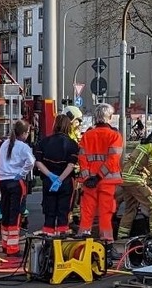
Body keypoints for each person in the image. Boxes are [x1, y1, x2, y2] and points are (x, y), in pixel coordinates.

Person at [77, 103, 124, 245]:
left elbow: (82, 158)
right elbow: (112, 160)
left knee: (87, 211)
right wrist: (99, 177)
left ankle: (83, 240)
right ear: (109, 117)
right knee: (106, 212)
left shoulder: (87, 136)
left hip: (89, 182)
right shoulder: (115, 136)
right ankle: (107, 243)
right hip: (106, 182)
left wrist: (87, 177)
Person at [118, 123, 152, 239]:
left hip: (125, 179)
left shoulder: (144, 144)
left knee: (130, 209)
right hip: (135, 180)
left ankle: (122, 237)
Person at [34, 115, 80, 236]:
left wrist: (50, 175)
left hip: (49, 181)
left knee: (49, 212)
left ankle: (48, 240)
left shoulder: (44, 142)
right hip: (65, 182)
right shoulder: (72, 144)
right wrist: (59, 179)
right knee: (63, 213)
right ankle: (61, 239)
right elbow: (71, 165)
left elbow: (38, 162)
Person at [0, 120, 35, 256]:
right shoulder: (23, 147)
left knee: (6, 213)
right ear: (24, 133)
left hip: (3, 182)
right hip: (15, 182)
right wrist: (21, 174)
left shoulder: (4, 144)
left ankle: (5, 244)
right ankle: (13, 248)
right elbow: (31, 162)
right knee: (15, 214)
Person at [63, 106, 83, 227]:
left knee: (77, 198)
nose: (79, 123)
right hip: (70, 171)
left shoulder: (74, 133)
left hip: (76, 171)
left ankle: (75, 218)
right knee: (70, 198)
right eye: (78, 120)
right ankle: (69, 221)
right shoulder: (67, 135)